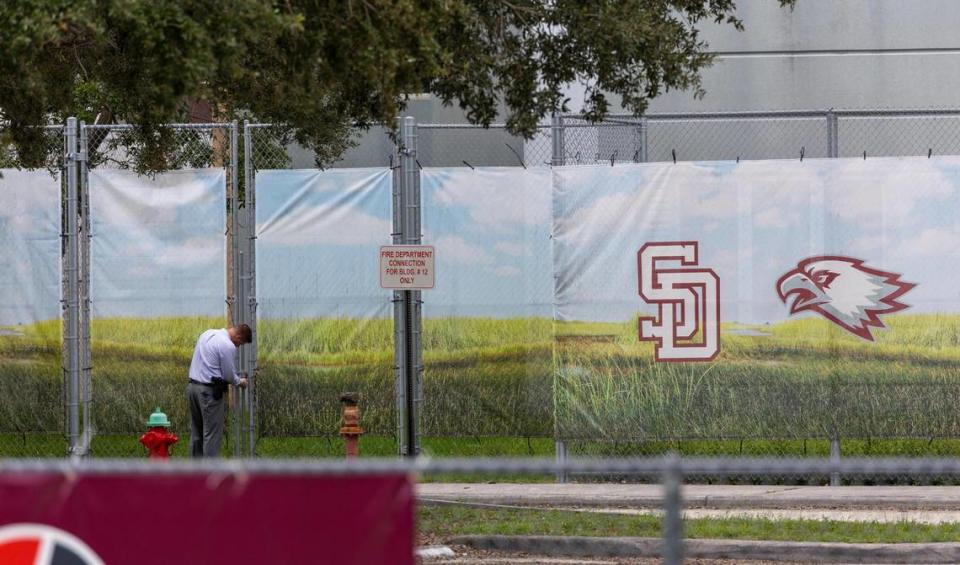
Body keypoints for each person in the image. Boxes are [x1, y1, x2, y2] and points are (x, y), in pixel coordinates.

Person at [187, 324, 252, 457]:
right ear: (239, 336)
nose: (238, 346)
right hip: (208, 392)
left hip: (193, 388)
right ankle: (210, 473)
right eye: (241, 343)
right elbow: (228, 374)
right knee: (212, 435)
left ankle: (194, 473)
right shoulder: (227, 345)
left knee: (196, 433)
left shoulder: (207, 333)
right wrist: (241, 382)